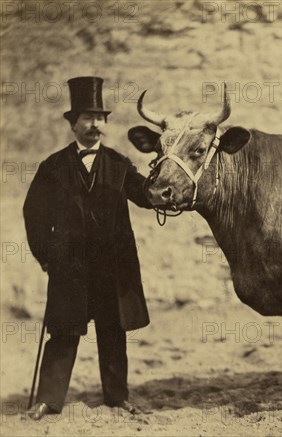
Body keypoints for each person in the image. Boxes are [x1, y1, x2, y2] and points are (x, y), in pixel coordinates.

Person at [23, 76, 153, 420]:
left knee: (113, 332)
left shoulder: (119, 164)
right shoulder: (52, 167)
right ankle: (49, 400)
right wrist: (47, 256)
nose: (95, 125)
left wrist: (160, 188)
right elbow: (33, 214)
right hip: (70, 269)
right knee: (63, 332)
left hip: (112, 268)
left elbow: (144, 195)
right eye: (87, 118)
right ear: (73, 123)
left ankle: (117, 397)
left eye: (100, 118)